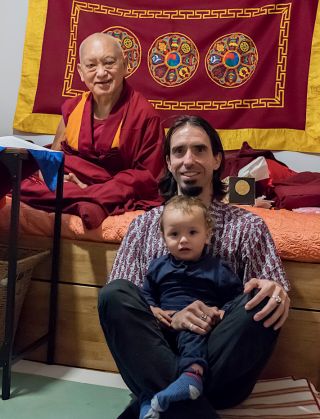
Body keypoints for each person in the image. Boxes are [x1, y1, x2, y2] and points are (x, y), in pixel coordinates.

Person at [98, 115, 290, 419]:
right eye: (179, 151)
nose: (189, 160)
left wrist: (276, 293)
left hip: (222, 366)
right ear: (169, 162)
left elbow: (267, 296)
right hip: (154, 355)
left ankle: (161, 398)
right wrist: (173, 319)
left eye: (199, 150)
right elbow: (127, 302)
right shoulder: (142, 225)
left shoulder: (248, 226)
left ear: (216, 160)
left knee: (266, 299)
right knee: (113, 294)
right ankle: (188, 402)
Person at [20, 33, 164, 229]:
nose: (101, 73)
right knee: (15, 178)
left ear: (125, 65)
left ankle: (83, 199)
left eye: (109, 62)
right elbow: (53, 160)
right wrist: (62, 178)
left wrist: (96, 189)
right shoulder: (73, 109)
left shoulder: (145, 116)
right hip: (72, 185)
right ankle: (79, 198)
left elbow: (148, 176)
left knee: (89, 206)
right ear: (80, 71)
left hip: (111, 191)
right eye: (91, 66)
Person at [140, 195, 243, 419]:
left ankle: (192, 374)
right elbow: (146, 294)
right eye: (174, 234)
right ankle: (149, 401)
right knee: (146, 350)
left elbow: (235, 298)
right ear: (163, 237)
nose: (183, 240)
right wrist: (152, 309)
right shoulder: (157, 267)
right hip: (165, 325)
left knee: (191, 332)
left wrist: (222, 311)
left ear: (208, 235)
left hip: (200, 326)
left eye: (192, 233)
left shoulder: (218, 269)